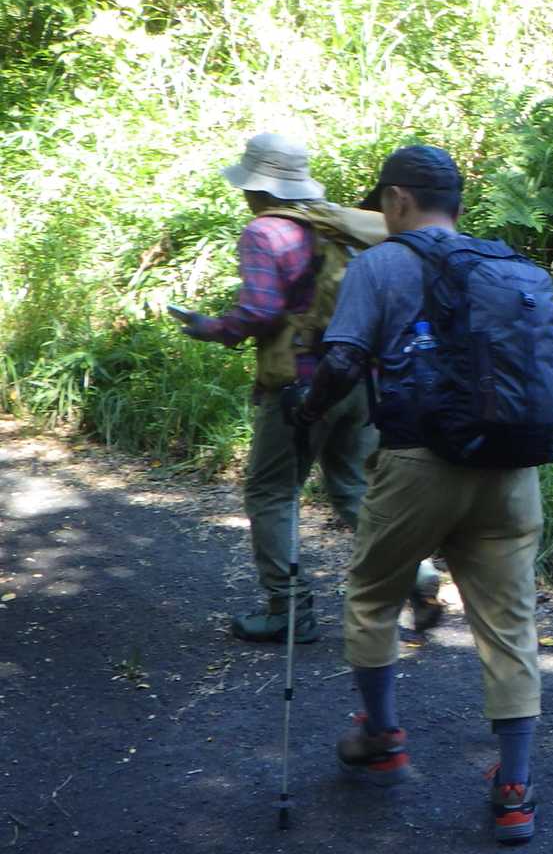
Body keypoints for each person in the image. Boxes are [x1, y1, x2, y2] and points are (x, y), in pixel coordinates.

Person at [290, 145, 545, 843]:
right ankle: (515, 790)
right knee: (510, 624)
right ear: (457, 204)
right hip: (512, 469)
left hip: (418, 465)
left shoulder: (381, 265)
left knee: (372, 596)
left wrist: (307, 414)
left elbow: (344, 359)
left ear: (398, 200)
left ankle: (382, 739)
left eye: (382, 202)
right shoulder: (510, 266)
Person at [178, 133, 444, 643]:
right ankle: (417, 574)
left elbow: (259, 310)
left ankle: (288, 609)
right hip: (360, 379)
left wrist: (211, 328)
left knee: (272, 491)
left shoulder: (265, 232)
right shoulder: (337, 225)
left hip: (301, 386)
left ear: (257, 187)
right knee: (354, 487)